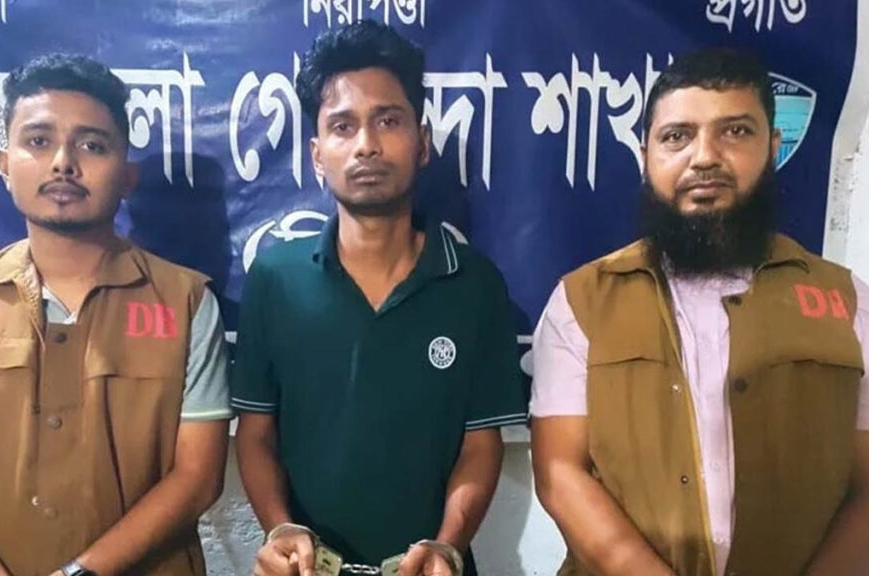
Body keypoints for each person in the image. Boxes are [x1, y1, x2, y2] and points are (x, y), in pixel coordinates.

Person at [531, 47, 869, 576]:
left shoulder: (848, 302)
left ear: (773, 147)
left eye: (735, 132)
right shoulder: (582, 301)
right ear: (645, 155)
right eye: (677, 136)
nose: (704, 157)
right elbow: (560, 474)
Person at [0, 53, 232, 576]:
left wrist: (79, 574)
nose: (63, 163)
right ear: (4, 164)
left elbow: (198, 477)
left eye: (92, 145)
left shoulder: (186, 303)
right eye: (38, 141)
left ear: (127, 175)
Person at [231, 20, 527, 576]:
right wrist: (280, 527)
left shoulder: (474, 283)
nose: (366, 144)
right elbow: (256, 434)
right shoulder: (275, 278)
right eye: (342, 126)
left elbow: (480, 444)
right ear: (317, 154)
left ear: (423, 142)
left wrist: (448, 545)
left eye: (388, 120)